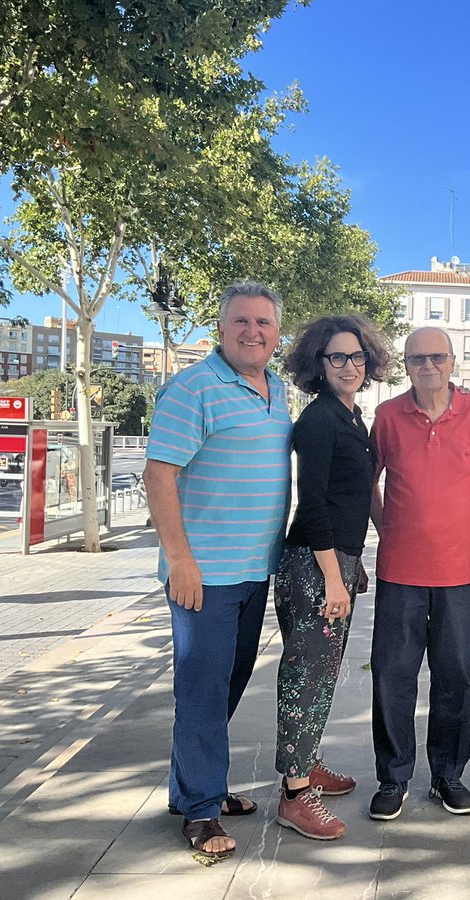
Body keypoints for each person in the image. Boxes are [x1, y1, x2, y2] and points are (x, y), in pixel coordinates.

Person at [145, 282, 292, 860]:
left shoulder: (276, 389)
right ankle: (203, 812)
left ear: (276, 333)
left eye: (263, 322)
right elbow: (160, 478)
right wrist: (180, 559)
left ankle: (192, 790)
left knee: (227, 684)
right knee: (203, 692)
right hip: (204, 574)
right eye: (241, 321)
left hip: (255, 569)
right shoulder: (192, 389)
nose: (252, 331)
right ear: (221, 327)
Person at [274, 313, 391, 841]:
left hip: (335, 560)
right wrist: (334, 578)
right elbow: (314, 504)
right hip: (313, 564)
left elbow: (354, 496)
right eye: (338, 357)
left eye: (357, 356)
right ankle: (296, 794)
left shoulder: (351, 417)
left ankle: (308, 762)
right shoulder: (320, 421)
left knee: (322, 674)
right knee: (308, 674)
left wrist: (359, 554)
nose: (349, 365)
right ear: (318, 365)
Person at [367, 327, 470, 821]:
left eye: (437, 357)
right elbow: (365, 481)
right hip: (401, 571)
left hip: (463, 571)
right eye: (417, 358)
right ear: (406, 365)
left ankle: (448, 774)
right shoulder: (387, 416)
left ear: (453, 361)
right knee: (393, 676)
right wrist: (387, 527)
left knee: (454, 677)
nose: (428, 366)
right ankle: (393, 776)